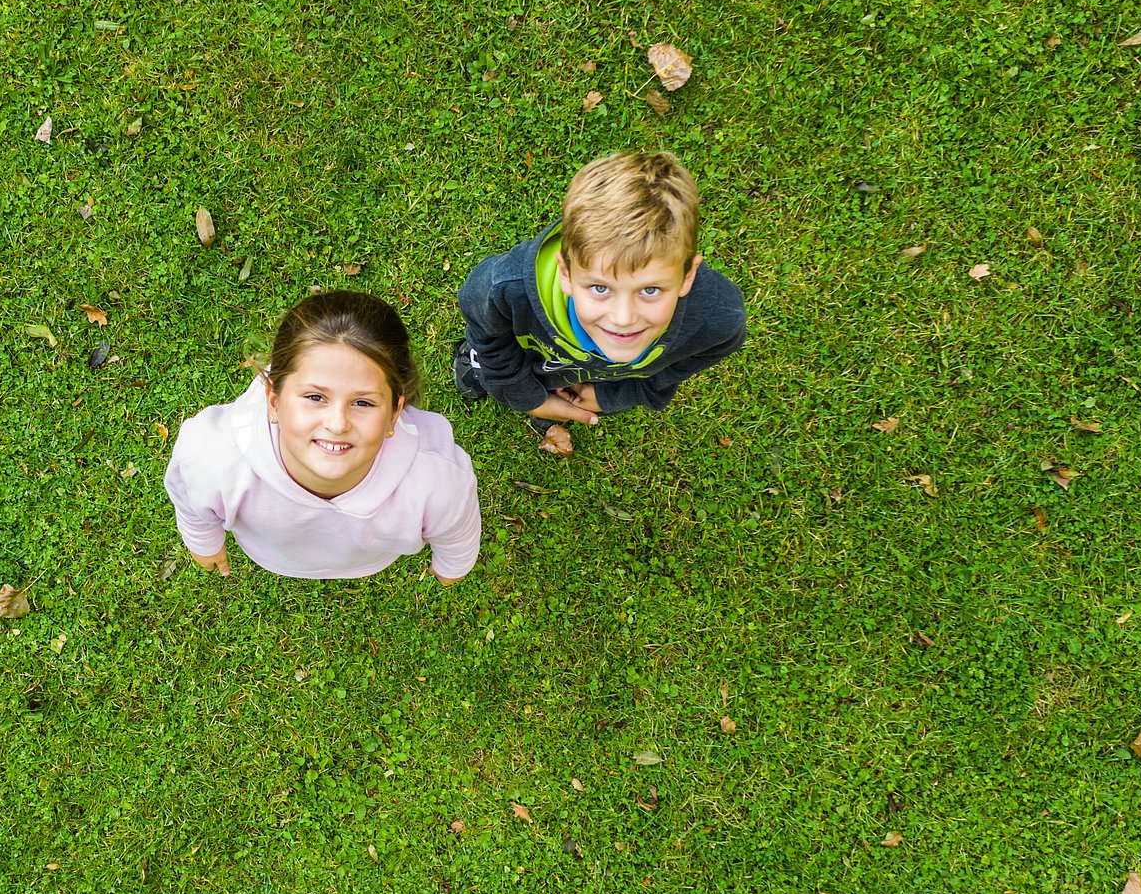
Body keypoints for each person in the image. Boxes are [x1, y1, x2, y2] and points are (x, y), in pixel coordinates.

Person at [164, 291, 481, 582]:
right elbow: (191, 502)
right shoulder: (213, 459)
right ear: (273, 401)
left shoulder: (438, 480)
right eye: (315, 397)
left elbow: (457, 529)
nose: (337, 423)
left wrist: (453, 566)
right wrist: (203, 542)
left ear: (395, 413)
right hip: (268, 554)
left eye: (363, 402)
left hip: (373, 559)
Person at [453, 151, 746, 455]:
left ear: (687, 276)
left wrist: (615, 396)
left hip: (593, 380)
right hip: (526, 355)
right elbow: (485, 330)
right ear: (565, 272)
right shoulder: (507, 287)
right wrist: (525, 396)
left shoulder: (717, 317)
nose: (623, 318)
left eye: (650, 290)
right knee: (490, 370)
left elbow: (701, 355)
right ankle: (480, 371)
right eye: (599, 287)